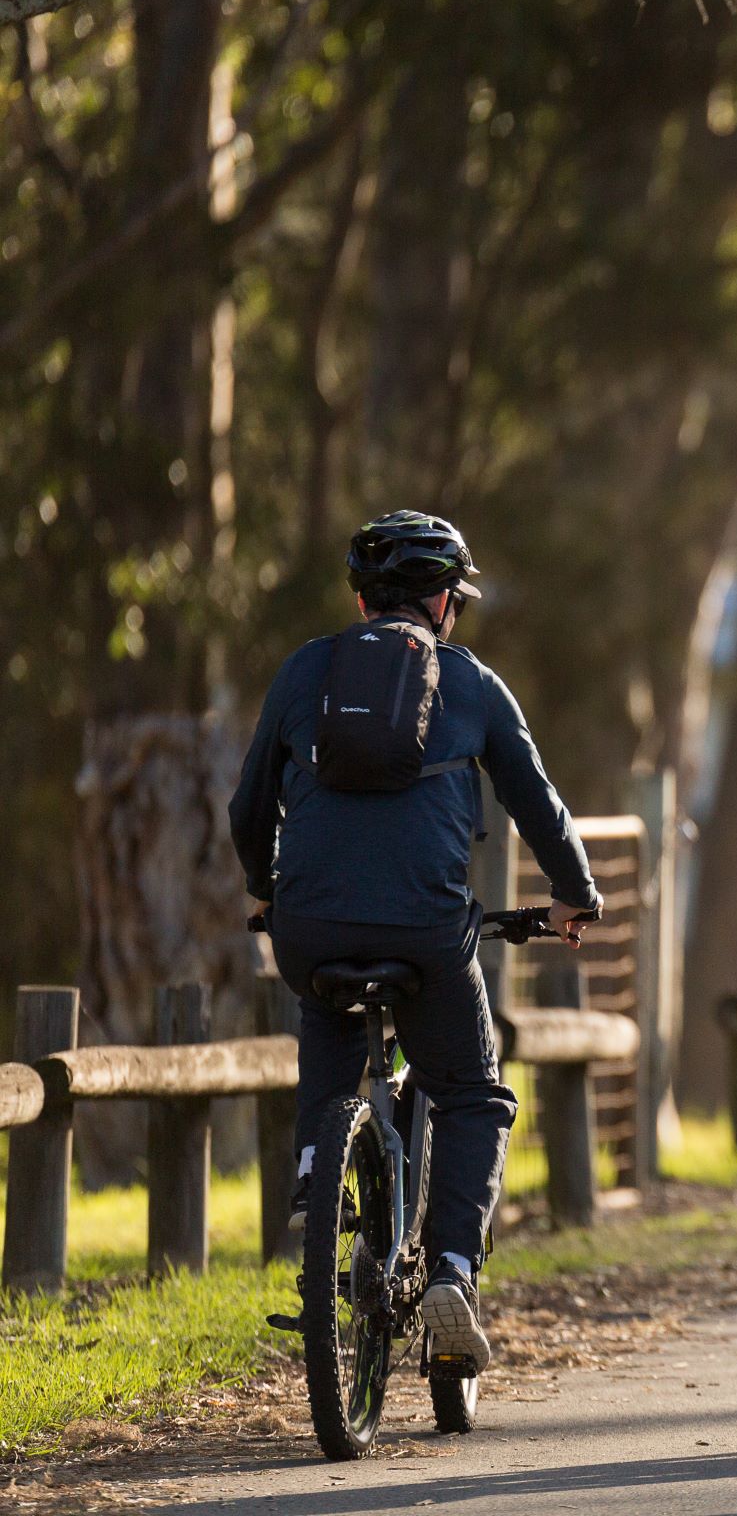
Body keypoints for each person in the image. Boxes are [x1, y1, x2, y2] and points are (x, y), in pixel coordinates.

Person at [229, 511, 599, 1373]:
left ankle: (318, 1170)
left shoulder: (302, 673)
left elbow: (250, 804)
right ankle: (454, 1272)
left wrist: (266, 890)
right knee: (471, 1092)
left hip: (309, 928)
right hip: (427, 933)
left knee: (323, 1023)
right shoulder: (468, 682)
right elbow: (537, 804)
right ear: (442, 603)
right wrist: (574, 897)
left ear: (362, 599)